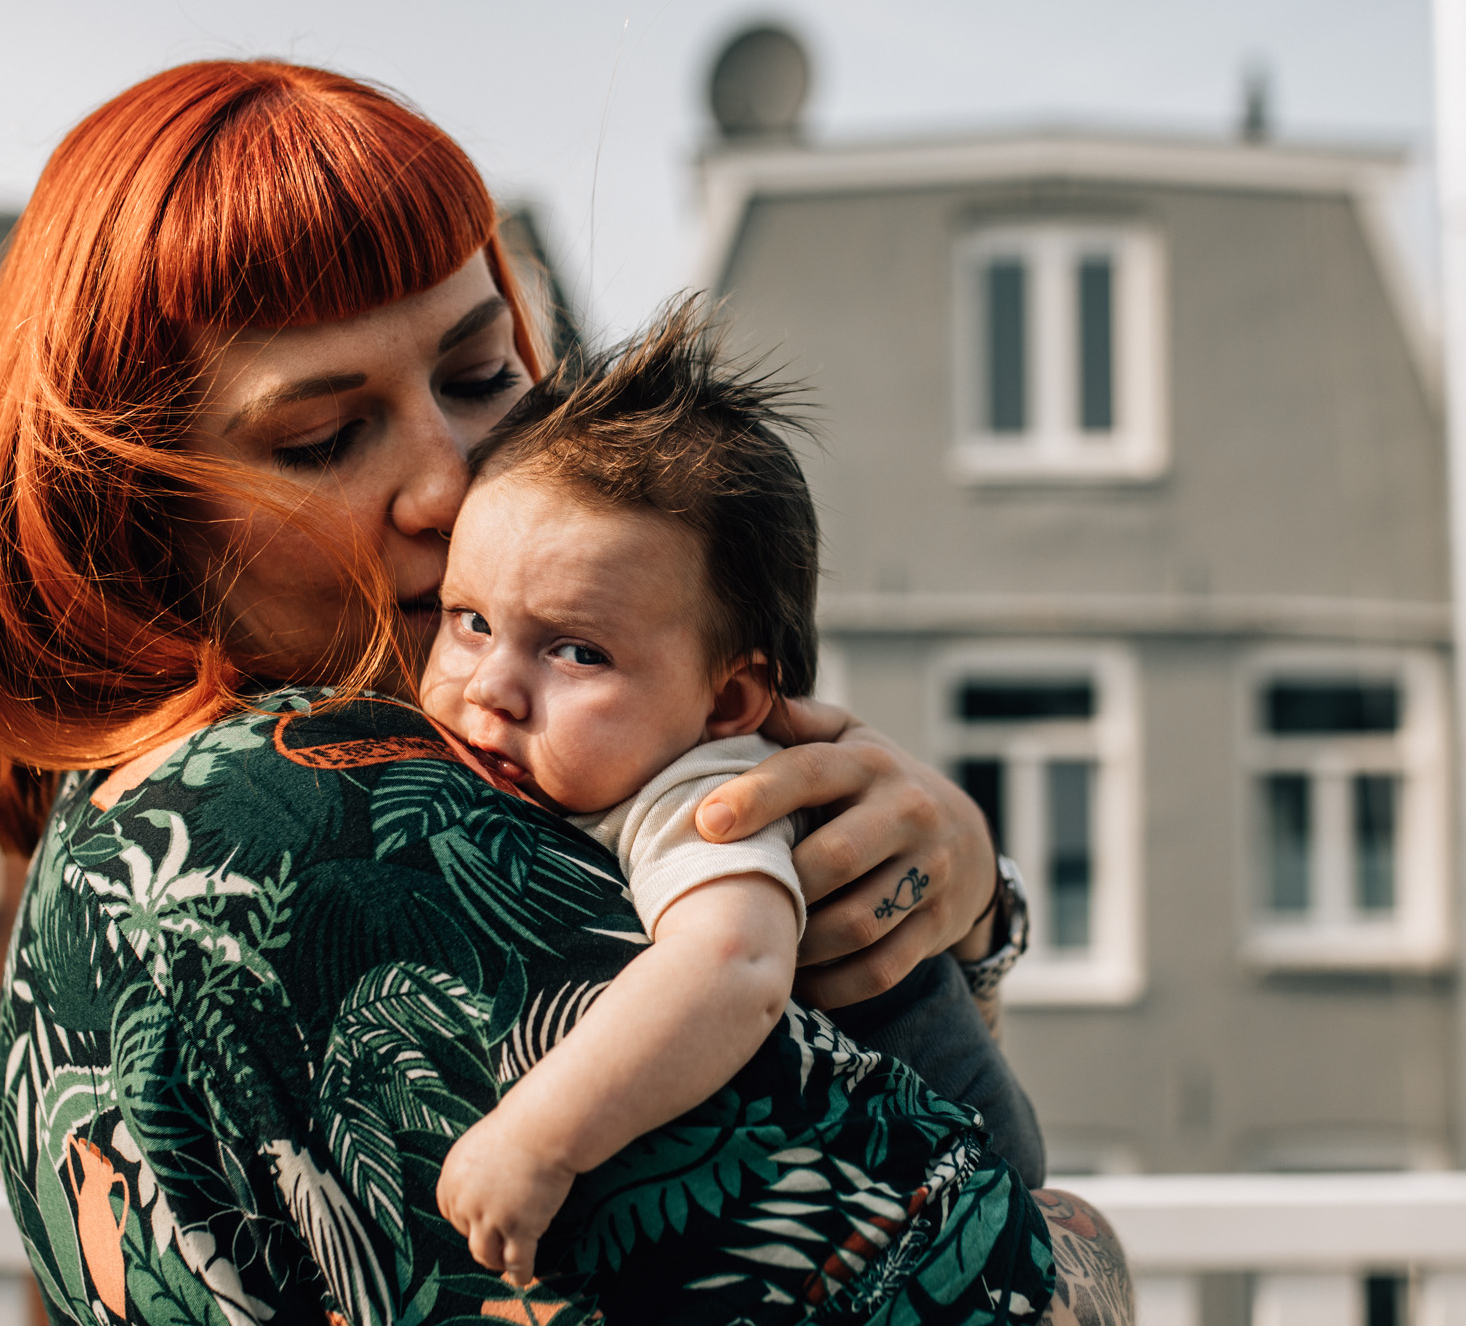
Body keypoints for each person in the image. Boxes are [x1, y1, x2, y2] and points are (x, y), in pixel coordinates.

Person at [0, 58, 1133, 1323]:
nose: (453, 483)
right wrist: (1075, 1230)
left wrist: (946, 921)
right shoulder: (330, 831)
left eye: (482, 376)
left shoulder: (116, 838)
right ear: (135, 518)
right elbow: (1007, 1286)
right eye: (323, 439)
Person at [423, 301, 1046, 1284]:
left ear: (729, 699)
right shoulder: (596, 752)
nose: (490, 687)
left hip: (946, 1198)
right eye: (465, 620)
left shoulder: (703, 794)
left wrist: (539, 1137)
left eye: (576, 651)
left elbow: (731, 969)